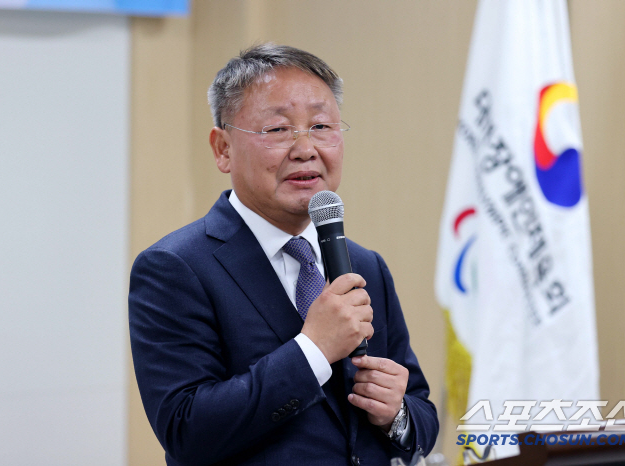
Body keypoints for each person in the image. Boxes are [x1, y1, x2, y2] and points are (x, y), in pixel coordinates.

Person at [129, 43, 439, 466]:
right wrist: (313, 349)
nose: (306, 148)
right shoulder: (175, 267)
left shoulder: (365, 265)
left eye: (322, 126)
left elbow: (419, 408)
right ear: (222, 149)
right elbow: (186, 431)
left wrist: (396, 414)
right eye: (278, 130)